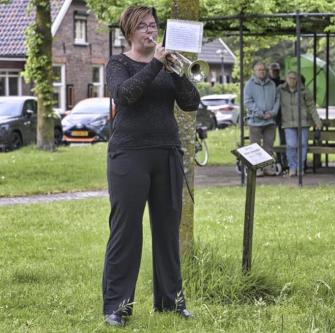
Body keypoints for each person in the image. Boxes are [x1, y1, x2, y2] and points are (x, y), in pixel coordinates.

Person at [102, 6, 200, 327]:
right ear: (129, 32)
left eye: (153, 25)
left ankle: (171, 302)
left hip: (166, 153)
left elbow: (190, 102)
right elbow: (125, 95)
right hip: (129, 154)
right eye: (143, 26)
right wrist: (156, 63)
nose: (150, 31)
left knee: (167, 231)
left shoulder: (168, 65)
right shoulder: (118, 63)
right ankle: (117, 306)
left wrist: (174, 71)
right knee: (125, 231)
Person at [278, 70, 322, 176]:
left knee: (302, 145)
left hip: (303, 122)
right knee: (291, 145)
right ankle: (292, 167)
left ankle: (300, 167)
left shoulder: (304, 90)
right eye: (290, 78)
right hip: (288, 122)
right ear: (286, 79)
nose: (292, 80)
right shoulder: (280, 90)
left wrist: (317, 121)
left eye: (294, 78)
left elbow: (312, 107)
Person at [244, 61, 280, 175]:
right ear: (255, 71)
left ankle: (268, 168)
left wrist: (272, 113)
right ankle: (257, 169)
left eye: (263, 70)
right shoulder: (249, 85)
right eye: (259, 70)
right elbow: (248, 101)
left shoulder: (272, 85)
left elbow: (277, 100)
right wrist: (259, 113)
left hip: (270, 121)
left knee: (269, 146)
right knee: (255, 147)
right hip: (255, 121)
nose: (262, 72)